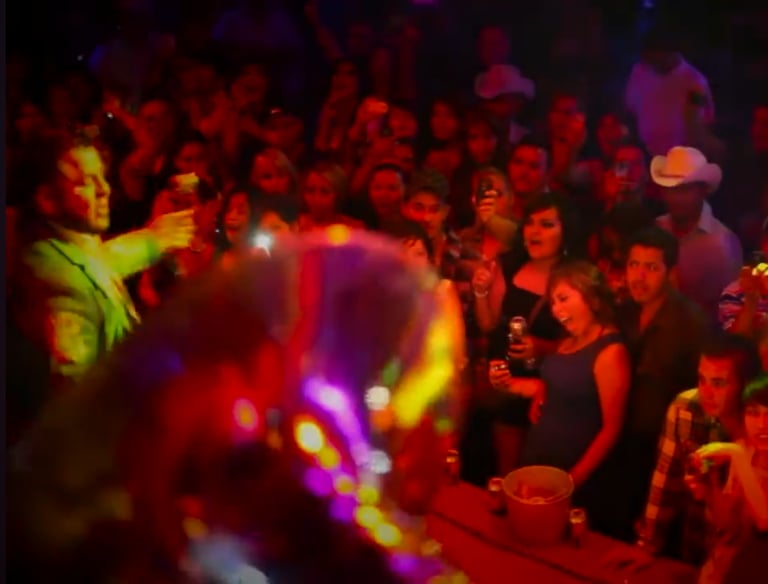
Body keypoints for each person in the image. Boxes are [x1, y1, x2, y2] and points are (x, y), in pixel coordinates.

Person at [9, 130, 195, 394]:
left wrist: (153, 240)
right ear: (47, 199)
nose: (104, 189)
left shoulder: (56, 249)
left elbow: (98, 263)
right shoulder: (61, 286)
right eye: (85, 182)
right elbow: (78, 397)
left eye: (102, 176)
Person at [606, 334, 761, 570]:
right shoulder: (686, 408)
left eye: (718, 383)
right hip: (698, 549)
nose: (706, 392)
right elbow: (664, 482)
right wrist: (647, 544)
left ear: (744, 385)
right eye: (701, 379)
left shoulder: (761, 425)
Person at [605, 226, 709, 540]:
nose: (639, 276)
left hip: (663, 453)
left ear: (670, 273)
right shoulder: (621, 312)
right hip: (617, 442)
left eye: (651, 267)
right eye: (634, 265)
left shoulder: (691, 323)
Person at [475, 193, 583, 474]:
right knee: (503, 469)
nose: (535, 231)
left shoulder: (576, 278)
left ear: (566, 231)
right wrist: (480, 292)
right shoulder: (509, 264)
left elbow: (585, 346)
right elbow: (488, 324)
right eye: (530, 223)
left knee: (538, 473)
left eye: (546, 225)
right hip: (503, 384)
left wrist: (542, 347)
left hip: (547, 389)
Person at [688, 373, 768, 583]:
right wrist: (708, 490)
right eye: (753, 413)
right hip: (723, 568)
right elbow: (728, 527)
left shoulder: (738, 453)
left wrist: (736, 455)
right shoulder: (744, 450)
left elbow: (764, 522)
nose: (762, 424)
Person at [652, 146, 742, 319]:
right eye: (670, 189)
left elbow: (731, 311)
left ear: (702, 190)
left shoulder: (722, 244)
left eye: (684, 190)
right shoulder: (657, 227)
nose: (675, 197)